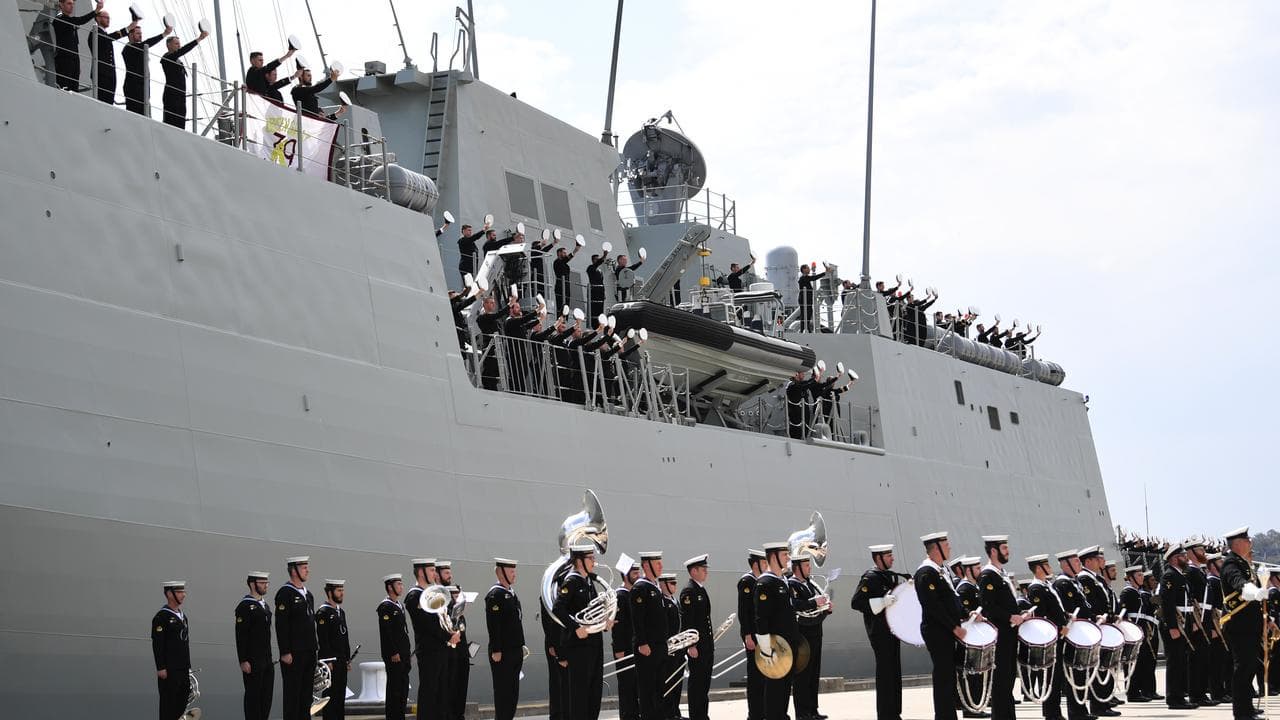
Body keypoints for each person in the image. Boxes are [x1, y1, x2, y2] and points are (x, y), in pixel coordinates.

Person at [1219, 527, 1275, 720]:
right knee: (1243, 668)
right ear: (1237, 544)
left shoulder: (1244, 563)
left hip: (1250, 625)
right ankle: (1241, 713)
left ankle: (1247, 709)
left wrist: (1269, 621)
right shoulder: (1230, 563)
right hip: (1238, 625)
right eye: (1247, 539)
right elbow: (1238, 583)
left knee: (1249, 667)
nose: (1250, 542)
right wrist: (1255, 592)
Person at [851, 544, 905, 720]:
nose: (892, 558)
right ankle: (885, 714)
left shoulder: (890, 577)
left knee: (895, 673)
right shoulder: (870, 578)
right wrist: (881, 602)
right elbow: (857, 602)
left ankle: (895, 712)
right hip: (879, 632)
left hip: (893, 631)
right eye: (888, 555)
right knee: (885, 674)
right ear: (879, 558)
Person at [915, 532, 966, 720]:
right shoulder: (925, 573)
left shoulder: (940, 570)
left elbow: (952, 600)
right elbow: (933, 606)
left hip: (946, 630)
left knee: (949, 676)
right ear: (936, 548)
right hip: (937, 631)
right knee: (943, 676)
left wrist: (969, 615)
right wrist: (954, 627)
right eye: (946, 544)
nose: (950, 548)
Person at [554, 542, 607, 720]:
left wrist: (605, 621)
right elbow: (558, 608)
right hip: (579, 647)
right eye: (590, 558)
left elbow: (590, 611)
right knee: (579, 696)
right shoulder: (572, 581)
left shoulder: (589, 581)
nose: (594, 562)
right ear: (579, 561)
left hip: (593, 644)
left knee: (594, 693)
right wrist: (576, 628)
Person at [978, 536, 1026, 720]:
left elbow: (1007, 604)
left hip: (1009, 634)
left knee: (1008, 680)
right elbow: (988, 607)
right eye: (1004, 548)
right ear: (993, 551)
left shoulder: (1001, 574)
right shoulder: (987, 575)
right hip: (1000, 636)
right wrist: (1009, 616)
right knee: (1001, 682)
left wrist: (1021, 613)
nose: (1008, 551)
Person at [405, 558, 458, 720]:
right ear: (421, 572)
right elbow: (427, 625)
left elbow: (442, 617)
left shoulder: (432, 592)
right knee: (429, 694)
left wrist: (453, 630)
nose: (435, 574)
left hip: (441, 648)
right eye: (431, 570)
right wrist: (449, 636)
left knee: (442, 694)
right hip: (429, 651)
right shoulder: (415, 596)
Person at [754, 541, 799, 720]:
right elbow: (761, 618)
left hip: (787, 644)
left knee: (785, 688)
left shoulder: (783, 581)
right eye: (784, 555)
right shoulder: (765, 583)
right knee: (775, 689)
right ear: (773, 557)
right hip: (774, 646)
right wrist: (765, 649)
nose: (788, 558)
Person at [1075, 546, 1119, 717]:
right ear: (1088, 562)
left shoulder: (1096, 579)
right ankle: (1098, 705)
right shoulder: (1085, 579)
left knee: (1104, 667)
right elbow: (1090, 605)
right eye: (1098, 558)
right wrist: (1098, 618)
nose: (1102, 561)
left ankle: (1104, 703)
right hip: (1096, 626)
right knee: (1097, 668)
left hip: (1104, 626)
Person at [1024, 555, 1069, 720]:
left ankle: (1054, 711)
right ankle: (1051, 713)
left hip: (1057, 635)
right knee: (1050, 676)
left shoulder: (1047, 586)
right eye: (1046, 565)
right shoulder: (1036, 588)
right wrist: (1058, 628)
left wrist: (1066, 616)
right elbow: (1041, 615)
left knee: (1056, 676)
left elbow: (1055, 610)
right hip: (1050, 636)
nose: (1049, 567)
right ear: (1038, 568)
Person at [789, 551, 832, 720]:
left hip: (815, 632)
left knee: (814, 673)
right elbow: (794, 605)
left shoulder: (810, 584)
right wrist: (815, 602)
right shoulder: (791, 585)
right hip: (803, 634)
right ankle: (802, 713)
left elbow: (815, 606)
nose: (809, 568)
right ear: (797, 567)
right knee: (802, 675)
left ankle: (813, 710)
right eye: (806, 565)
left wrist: (826, 608)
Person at [275, 556, 317, 720]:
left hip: (309, 651)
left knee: (306, 698)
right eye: (304, 567)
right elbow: (281, 625)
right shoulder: (285, 593)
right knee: (293, 697)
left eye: (307, 566)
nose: (308, 570)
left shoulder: (308, 595)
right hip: (294, 654)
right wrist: (285, 651)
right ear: (294, 570)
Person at [632, 551, 668, 720]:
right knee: (647, 690)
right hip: (648, 647)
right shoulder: (640, 588)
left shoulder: (654, 587)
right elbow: (637, 619)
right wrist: (642, 642)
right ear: (647, 566)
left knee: (659, 688)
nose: (661, 566)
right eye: (657, 563)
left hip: (659, 645)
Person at [486, 558, 524, 720]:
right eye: (511, 571)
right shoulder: (495, 595)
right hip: (503, 652)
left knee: (513, 693)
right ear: (501, 573)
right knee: (503, 694)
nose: (514, 574)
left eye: (514, 571)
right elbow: (493, 624)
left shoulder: (510, 593)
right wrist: (496, 649)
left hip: (514, 650)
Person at [1160, 544, 1196, 709]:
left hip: (1185, 622)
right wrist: (1172, 627)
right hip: (1175, 625)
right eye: (1183, 555)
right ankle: (1174, 699)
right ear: (1174, 558)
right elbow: (1167, 604)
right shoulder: (1169, 576)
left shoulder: (1180, 575)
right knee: (1175, 661)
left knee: (1182, 661)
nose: (1186, 558)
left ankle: (1180, 696)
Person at [235, 571, 275, 720]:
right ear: (252, 584)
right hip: (252, 661)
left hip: (266, 659)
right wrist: (243, 660)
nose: (266, 585)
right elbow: (241, 635)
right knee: (253, 698)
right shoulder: (245, 606)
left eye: (267, 582)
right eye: (262, 582)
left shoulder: (265, 606)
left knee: (266, 698)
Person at [679, 555, 714, 720]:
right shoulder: (689, 591)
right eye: (703, 569)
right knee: (697, 684)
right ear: (694, 571)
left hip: (706, 646)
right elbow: (688, 621)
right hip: (697, 648)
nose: (706, 572)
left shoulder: (700, 589)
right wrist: (690, 645)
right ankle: (696, 716)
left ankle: (703, 715)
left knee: (704, 685)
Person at [1182, 541, 1217, 706]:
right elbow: (1190, 598)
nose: (1203, 553)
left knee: (1204, 659)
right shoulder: (1189, 572)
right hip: (1198, 620)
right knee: (1196, 659)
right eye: (1200, 550)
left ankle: (1202, 693)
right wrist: (1195, 621)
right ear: (1190, 552)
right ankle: (1196, 694)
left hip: (1206, 619)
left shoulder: (1199, 571)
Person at [151, 580, 191, 720]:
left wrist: (188, 667)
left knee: (181, 706)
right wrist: (161, 667)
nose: (183, 595)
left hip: (183, 669)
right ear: (169, 594)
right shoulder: (161, 617)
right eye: (179, 592)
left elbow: (184, 643)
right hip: (169, 670)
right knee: (168, 707)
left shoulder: (183, 617)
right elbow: (158, 644)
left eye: (183, 592)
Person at [1119, 566, 1157, 703]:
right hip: (1131, 630)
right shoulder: (1127, 592)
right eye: (1139, 575)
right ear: (1131, 578)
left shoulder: (1137, 592)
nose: (1142, 577)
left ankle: (1139, 690)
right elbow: (1123, 613)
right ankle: (1132, 692)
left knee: (1140, 662)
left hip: (1140, 629)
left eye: (1142, 575)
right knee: (1130, 662)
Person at [121, 19, 172, 116]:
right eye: (137, 33)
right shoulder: (129, 48)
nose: (140, 35)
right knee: (135, 114)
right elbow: (147, 43)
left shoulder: (138, 48)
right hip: (133, 86)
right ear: (130, 35)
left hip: (142, 85)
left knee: (144, 112)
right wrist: (163, 34)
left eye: (141, 33)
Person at [738, 549, 767, 720]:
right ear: (755, 564)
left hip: (762, 635)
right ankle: (754, 714)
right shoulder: (747, 582)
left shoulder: (762, 581)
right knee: (755, 678)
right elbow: (744, 611)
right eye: (763, 563)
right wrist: (747, 634)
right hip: (753, 637)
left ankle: (763, 711)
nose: (766, 565)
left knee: (764, 676)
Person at [438, 562, 469, 720]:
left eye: (450, 573)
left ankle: (459, 715)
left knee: (460, 687)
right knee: (448, 689)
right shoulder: (438, 598)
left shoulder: (456, 594)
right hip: (448, 653)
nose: (449, 576)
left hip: (461, 651)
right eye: (445, 573)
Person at [160, 29, 209, 128]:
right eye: (176, 44)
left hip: (181, 95)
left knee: (181, 122)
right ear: (169, 45)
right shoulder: (167, 58)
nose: (179, 46)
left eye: (179, 44)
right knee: (171, 122)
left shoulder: (178, 60)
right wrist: (198, 39)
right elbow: (183, 50)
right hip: (172, 95)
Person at [316, 579, 351, 720]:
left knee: (340, 696)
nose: (342, 593)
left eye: (342, 590)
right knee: (330, 696)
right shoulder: (323, 612)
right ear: (330, 592)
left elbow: (344, 637)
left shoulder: (340, 612)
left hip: (341, 661)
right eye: (338, 590)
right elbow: (323, 639)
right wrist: (328, 660)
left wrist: (347, 659)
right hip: (330, 662)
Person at [379, 573, 412, 720]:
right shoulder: (385, 607)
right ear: (389, 587)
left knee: (403, 689)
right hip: (395, 655)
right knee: (395, 689)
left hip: (403, 654)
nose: (401, 587)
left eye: (401, 584)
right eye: (398, 584)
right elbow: (387, 633)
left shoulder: (398, 605)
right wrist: (393, 652)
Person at [52, 0, 103, 90]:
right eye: (68, 3)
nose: (72, 6)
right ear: (61, 5)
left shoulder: (70, 21)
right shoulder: (60, 19)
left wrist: (77, 63)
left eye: (72, 4)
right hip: (64, 59)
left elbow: (74, 45)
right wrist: (96, 11)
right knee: (64, 88)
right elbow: (79, 20)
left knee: (74, 88)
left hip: (73, 60)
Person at [613, 561, 642, 720]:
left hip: (635, 647)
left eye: (638, 572)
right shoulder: (620, 595)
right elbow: (618, 625)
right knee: (626, 685)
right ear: (625, 575)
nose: (638, 576)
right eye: (634, 573)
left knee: (636, 685)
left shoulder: (635, 594)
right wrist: (619, 649)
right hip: (624, 648)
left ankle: (635, 714)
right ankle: (627, 716)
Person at [88, 9, 134, 104]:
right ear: (97, 18)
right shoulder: (95, 32)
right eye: (106, 17)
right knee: (102, 100)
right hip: (101, 73)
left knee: (109, 101)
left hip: (110, 73)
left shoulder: (104, 34)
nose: (108, 20)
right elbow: (108, 38)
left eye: (109, 18)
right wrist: (127, 29)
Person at [1204, 554, 1231, 703]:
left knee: (1223, 660)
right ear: (1212, 565)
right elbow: (1211, 607)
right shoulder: (1211, 582)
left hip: (1223, 623)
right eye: (1220, 561)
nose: (1222, 564)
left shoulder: (1219, 581)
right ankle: (1217, 692)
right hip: (1216, 624)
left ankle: (1223, 691)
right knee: (1217, 661)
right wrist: (1212, 627)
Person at [659, 573, 684, 719]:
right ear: (663, 584)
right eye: (671, 583)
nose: (674, 586)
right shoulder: (662, 602)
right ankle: (668, 712)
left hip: (679, 648)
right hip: (669, 649)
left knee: (677, 681)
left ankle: (675, 711)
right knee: (668, 682)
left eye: (675, 583)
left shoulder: (675, 601)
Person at [456, 222, 489, 286]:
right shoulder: (462, 241)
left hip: (472, 267)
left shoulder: (471, 242)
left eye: (471, 230)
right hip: (466, 267)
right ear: (464, 231)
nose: (470, 232)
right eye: (469, 230)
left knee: (472, 285)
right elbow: (474, 237)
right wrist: (483, 230)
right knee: (468, 286)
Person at [797, 264, 823, 332]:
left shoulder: (805, 277)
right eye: (807, 268)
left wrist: (813, 270)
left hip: (807, 299)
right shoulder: (803, 278)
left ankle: (806, 328)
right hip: (804, 299)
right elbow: (813, 278)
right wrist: (825, 273)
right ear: (804, 269)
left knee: (808, 313)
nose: (809, 269)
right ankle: (803, 329)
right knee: (805, 314)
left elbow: (811, 278)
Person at [553, 245, 579, 311]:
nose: (565, 254)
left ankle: (565, 320)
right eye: (564, 253)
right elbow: (565, 260)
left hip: (566, 285)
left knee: (566, 306)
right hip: (560, 286)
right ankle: (559, 320)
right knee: (560, 305)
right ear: (559, 253)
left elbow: (565, 260)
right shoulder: (557, 262)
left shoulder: (565, 264)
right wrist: (574, 251)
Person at [587, 250, 609, 320]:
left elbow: (601, 282)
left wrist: (604, 292)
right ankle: (593, 323)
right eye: (597, 259)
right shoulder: (590, 268)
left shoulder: (600, 271)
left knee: (600, 308)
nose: (598, 260)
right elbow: (596, 264)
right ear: (593, 260)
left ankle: (599, 322)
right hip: (594, 291)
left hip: (600, 291)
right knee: (594, 308)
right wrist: (604, 256)